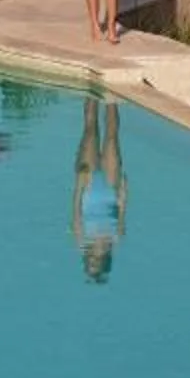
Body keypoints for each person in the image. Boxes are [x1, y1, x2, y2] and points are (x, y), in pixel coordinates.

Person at [71, 97, 127, 283]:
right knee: (111, 135)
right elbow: (120, 215)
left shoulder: (82, 242)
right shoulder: (114, 241)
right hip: (110, 188)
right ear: (103, 263)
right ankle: (112, 96)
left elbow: (76, 214)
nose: (91, 261)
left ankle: (91, 91)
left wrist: (79, 185)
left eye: (88, 264)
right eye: (94, 265)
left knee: (90, 131)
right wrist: (124, 194)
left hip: (88, 187)